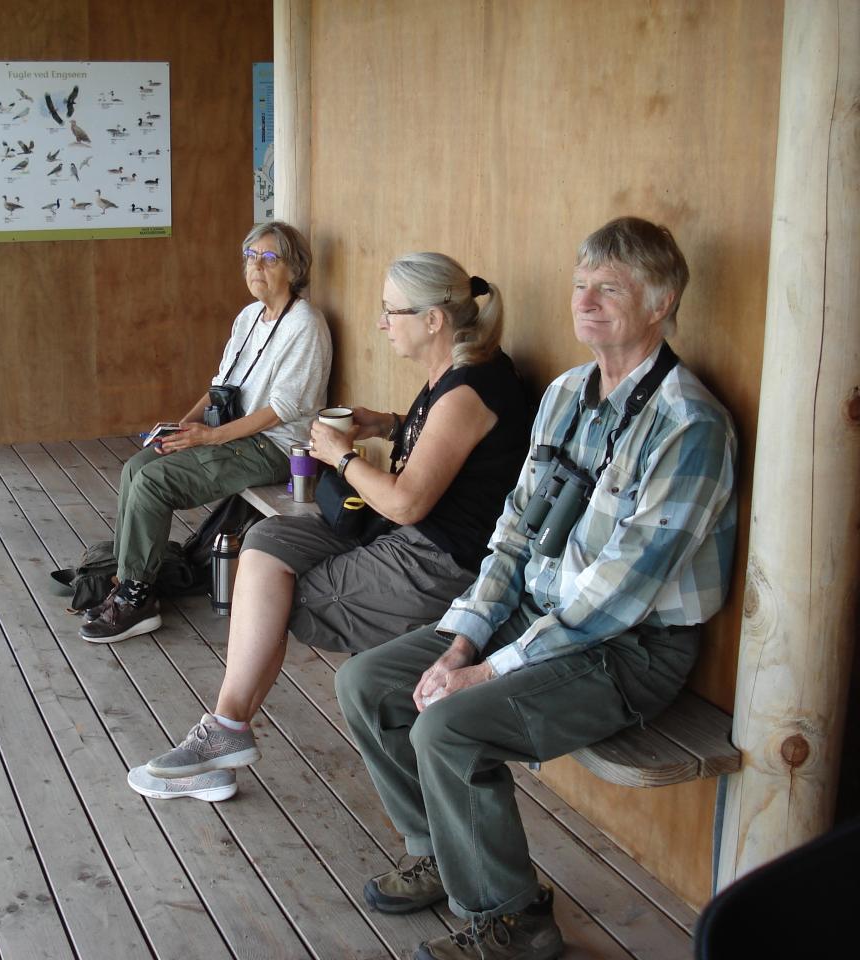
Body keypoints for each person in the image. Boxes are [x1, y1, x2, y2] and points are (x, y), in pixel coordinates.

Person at [335, 217, 738, 960]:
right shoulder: (564, 394)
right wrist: (460, 638)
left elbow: (616, 599)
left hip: (632, 648)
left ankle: (518, 924)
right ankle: (441, 850)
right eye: (580, 285)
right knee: (367, 682)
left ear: (661, 301)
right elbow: (512, 536)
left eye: (609, 288)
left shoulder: (689, 426)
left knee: (449, 726)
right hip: (534, 615)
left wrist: (484, 670)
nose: (585, 301)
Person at [127, 252, 530, 803]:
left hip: (438, 557)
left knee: (283, 602)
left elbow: (410, 503)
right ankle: (227, 731)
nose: (382, 324)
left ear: (432, 320)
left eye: (392, 312)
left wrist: (341, 457)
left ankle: (225, 732)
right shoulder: (457, 369)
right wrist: (386, 424)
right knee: (265, 543)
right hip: (393, 528)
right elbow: (439, 447)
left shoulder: (470, 387)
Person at [80, 220, 332, 643]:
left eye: (269, 258)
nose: (256, 266)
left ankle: (137, 600)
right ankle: (129, 583)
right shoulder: (250, 316)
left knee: (154, 482)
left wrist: (209, 437)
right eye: (250, 257)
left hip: (275, 447)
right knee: (138, 465)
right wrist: (182, 427)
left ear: (295, 268)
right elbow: (221, 385)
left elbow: (284, 409)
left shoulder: (304, 323)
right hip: (232, 434)